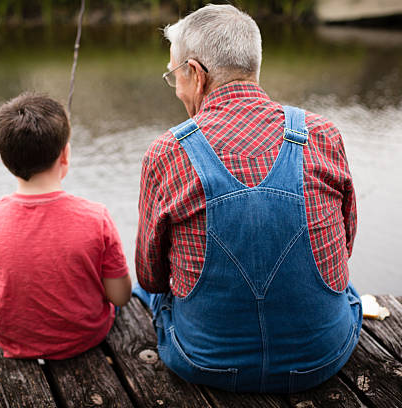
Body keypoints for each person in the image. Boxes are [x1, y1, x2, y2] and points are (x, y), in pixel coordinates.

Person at [134, 4, 362, 393]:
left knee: (144, 289)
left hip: (204, 363)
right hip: (323, 357)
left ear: (195, 73)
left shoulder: (167, 152)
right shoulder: (323, 134)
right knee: (349, 290)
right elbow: (345, 245)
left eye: (174, 76)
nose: (176, 88)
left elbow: (151, 278)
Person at [0, 93, 131, 359]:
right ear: (65, 155)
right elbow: (119, 297)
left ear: (6, 162)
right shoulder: (97, 217)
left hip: (12, 341)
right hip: (86, 338)